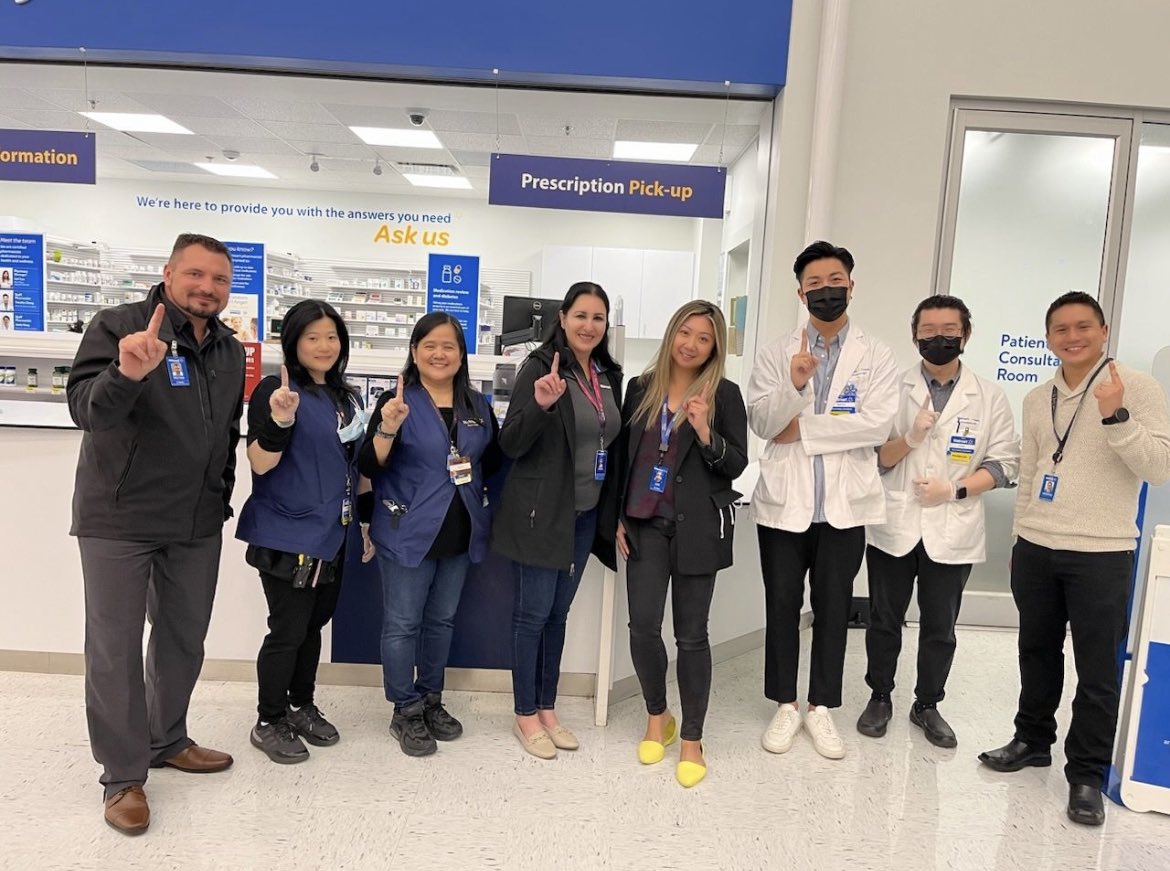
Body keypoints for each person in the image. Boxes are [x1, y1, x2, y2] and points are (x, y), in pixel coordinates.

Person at [66, 233, 244, 835]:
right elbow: (87, 410)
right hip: (120, 519)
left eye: (219, 279)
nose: (207, 288)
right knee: (113, 651)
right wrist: (125, 372)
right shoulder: (120, 326)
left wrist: (220, 494)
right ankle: (123, 776)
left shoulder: (227, 348)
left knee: (182, 639)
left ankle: (166, 738)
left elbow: (224, 430)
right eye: (195, 274)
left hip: (194, 522)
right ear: (168, 272)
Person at [979, 291, 1170, 826]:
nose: (1072, 337)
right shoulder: (1039, 398)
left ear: (1104, 331)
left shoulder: (1136, 388)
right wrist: (1020, 539)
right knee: (1036, 651)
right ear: (1049, 339)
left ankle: (1085, 773)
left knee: (1097, 669)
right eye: (1060, 329)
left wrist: (1118, 418)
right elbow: (1033, 471)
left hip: (1102, 551)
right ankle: (1032, 739)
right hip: (1038, 546)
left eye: (1082, 326)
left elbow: (1158, 467)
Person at [746, 240, 899, 760]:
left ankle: (821, 707)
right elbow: (763, 423)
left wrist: (803, 431)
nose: (826, 291)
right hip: (784, 505)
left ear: (851, 286)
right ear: (800, 292)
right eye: (815, 284)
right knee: (783, 606)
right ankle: (786, 705)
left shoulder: (876, 355)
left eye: (835, 282)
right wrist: (792, 384)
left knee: (833, 608)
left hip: (844, 507)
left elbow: (876, 425)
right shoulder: (776, 352)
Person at [858, 295, 1020, 748]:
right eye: (928, 331)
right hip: (895, 524)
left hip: (953, 524)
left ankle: (927, 704)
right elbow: (873, 457)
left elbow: (1005, 464)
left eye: (949, 330)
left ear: (966, 334)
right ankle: (880, 695)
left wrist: (956, 489)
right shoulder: (891, 388)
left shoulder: (988, 396)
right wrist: (909, 438)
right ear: (914, 336)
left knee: (940, 626)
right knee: (884, 619)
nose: (939, 338)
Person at [615, 300, 747, 787]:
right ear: (672, 334)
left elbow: (736, 463)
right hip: (645, 525)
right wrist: (617, 519)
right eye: (685, 333)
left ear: (715, 348)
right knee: (643, 627)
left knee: (692, 635)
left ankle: (691, 737)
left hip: (696, 531)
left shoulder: (725, 394)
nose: (691, 344)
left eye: (704, 338)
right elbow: (625, 460)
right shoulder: (640, 389)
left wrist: (705, 430)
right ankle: (658, 717)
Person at [359, 312, 501, 757]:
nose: (439, 354)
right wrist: (388, 427)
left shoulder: (477, 406)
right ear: (415, 352)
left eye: (449, 347)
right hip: (407, 530)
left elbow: (490, 462)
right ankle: (405, 709)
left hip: (459, 530)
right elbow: (368, 464)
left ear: (461, 356)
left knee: (441, 621)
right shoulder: (396, 400)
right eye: (430, 345)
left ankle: (431, 698)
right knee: (403, 624)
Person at [493, 281, 623, 760]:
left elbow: (614, 442)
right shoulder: (538, 368)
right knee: (531, 616)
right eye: (581, 316)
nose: (589, 326)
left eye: (598, 318)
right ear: (562, 318)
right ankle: (525, 714)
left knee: (556, 614)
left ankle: (548, 707)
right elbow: (511, 443)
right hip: (541, 512)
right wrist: (543, 406)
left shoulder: (608, 373)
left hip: (585, 515)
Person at [235, 300, 370, 764]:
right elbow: (259, 462)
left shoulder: (345, 398)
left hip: (333, 535)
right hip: (288, 536)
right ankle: (269, 719)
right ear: (293, 341)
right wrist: (281, 420)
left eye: (331, 336)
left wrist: (365, 522)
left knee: (313, 627)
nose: (324, 345)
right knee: (287, 630)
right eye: (312, 336)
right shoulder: (276, 390)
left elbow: (358, 469)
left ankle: (300, 705)